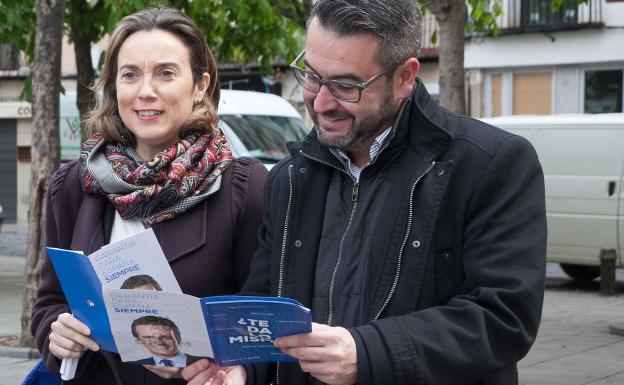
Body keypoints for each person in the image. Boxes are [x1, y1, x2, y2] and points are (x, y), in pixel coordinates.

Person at [183, 1, 547, 384]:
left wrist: (367, 353)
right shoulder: (290, 179)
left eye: (345, 86)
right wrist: (242, 369)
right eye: (311, 75)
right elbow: (265, 314)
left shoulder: (490, 165)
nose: (320, 102)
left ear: (405, 77)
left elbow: (504, 318)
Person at [31, 7, 267, 385]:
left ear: (200, 85)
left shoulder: (241, 188)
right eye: (130, 75)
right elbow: (49, 304)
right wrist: (54, 333)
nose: (145, 91)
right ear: (114, 86)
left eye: (166, 73)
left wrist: (233, 369)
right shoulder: (76, 185)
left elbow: (261, 318)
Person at [128, 316, 202, 368]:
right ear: (139, 341)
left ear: (178, 337)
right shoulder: (132, 366)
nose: (158, 342)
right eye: (149, 337)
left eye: (165, 337)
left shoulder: (208, 362)